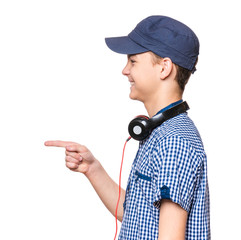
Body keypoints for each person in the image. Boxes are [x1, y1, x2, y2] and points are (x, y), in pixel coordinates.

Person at [45, 15, 210, 240]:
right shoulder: (160, 132)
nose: (125, 70)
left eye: (133, 61)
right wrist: (92, 168)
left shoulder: (173, 142)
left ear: (164, 68)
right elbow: (137, 215)